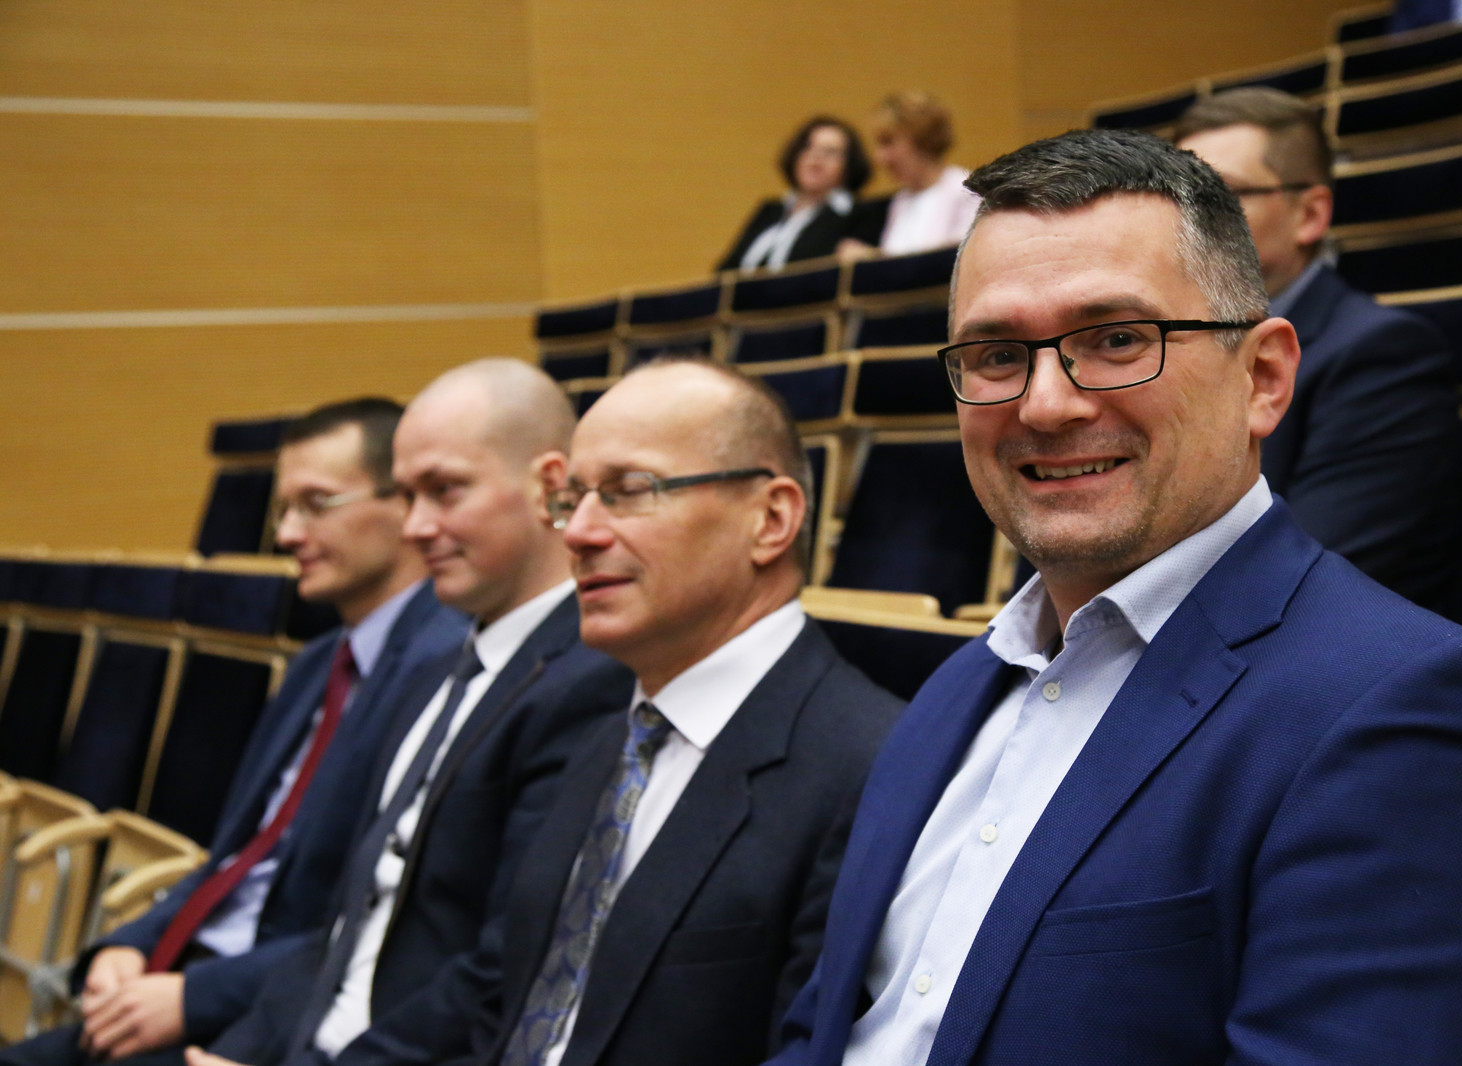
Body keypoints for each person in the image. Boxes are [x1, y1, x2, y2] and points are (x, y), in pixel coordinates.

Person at [768, 129, 1462, 1065]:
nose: (1045, 404)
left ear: (1263, 378)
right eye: (995, 354)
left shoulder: (1406, 715)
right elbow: (825, 1035)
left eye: (1118, 340)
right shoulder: (952, 693)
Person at [267, 359, 903, 1066]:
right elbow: (499, 1004)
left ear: (771, 519)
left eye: (629, 491)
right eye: (573, 499)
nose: (578, 533)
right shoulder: (614, 737)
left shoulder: (870, 767)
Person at [180, 359, 634, 1066]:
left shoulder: (594, 683)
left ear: (550, 486)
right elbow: (342, 923)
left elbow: (505, 973)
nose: (416, 526)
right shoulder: (430, 669)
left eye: (445, 491)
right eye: (406, 496)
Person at [0, 401, 472, 1066]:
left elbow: (377, 920)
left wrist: (195, 998)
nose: (287, 534)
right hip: (181, 980)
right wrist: (129, 944)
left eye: (316, 505)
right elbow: (236, 856)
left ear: (405, 504)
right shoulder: (317, 665)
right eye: (283, 510)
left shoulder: (449, 671)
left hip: (271, 1018)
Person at [1173, 87, 1460, 609]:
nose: (1189, 222)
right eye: (1178, 198)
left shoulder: (1382, 354)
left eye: (1222, 196)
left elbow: (1303, 579)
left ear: (1310, 214)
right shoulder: (1161, 342)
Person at [716, 116, 873, 273]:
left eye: (830, 152)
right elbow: (726, 270)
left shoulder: (856, 215)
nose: (816, 158)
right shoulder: (770, 210)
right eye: (808, 147)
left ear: (849, 165)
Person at [837, 91, 979, 261]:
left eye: (888, 142)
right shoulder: (902, 199)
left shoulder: (966, 191)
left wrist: (873, 259)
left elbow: (956, 262)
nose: (879, 158)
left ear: (922, 141)